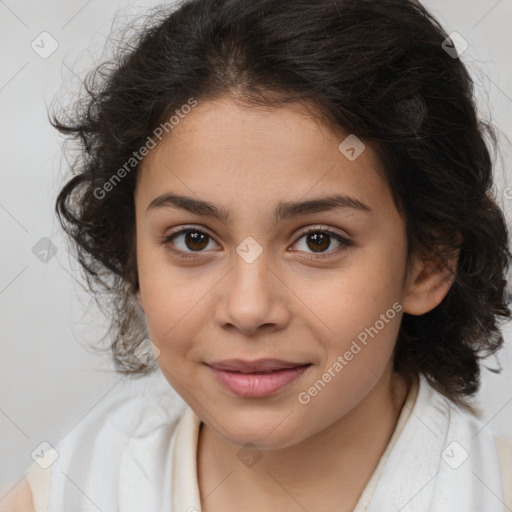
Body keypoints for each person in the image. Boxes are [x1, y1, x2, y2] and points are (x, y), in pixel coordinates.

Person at [4, 0, 512, 510]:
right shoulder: (62, 495)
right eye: (193, 239)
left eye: (318, 240)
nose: (248, 310)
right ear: (132, 257)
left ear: (427, 263)